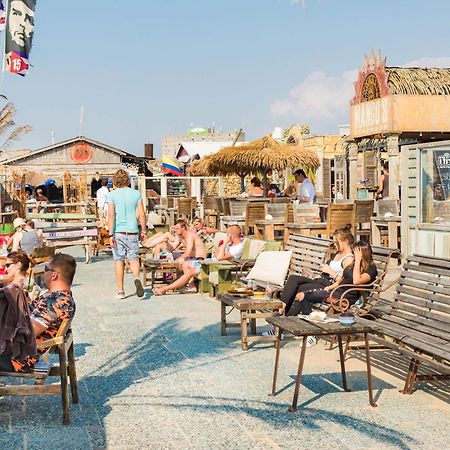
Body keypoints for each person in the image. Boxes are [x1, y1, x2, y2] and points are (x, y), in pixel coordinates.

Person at [0, 252, 77, 373]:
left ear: (54, 275)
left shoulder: (58, 301)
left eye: (46, 268)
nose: (43, 271)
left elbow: (28, 332)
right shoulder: (55, 297)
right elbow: (24, 312)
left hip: (17, 357)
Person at [289, 240, 377, 316]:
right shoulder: (353, 265)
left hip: (345, 297)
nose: (353, 255)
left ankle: (306, 328)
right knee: (301, 295)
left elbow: (357, 281)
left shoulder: (370, 268)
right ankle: (294, 322)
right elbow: (343, 279)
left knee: (303, 296)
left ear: (363, 254)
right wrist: (329, 287)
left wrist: (358, 260)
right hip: (336, 292)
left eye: (355, 253)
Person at [108, 169, 147, 299]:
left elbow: (111, 215)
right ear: (128, 180)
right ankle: (136, 278)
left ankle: (121, 291)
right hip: (133, 231)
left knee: (119, 260)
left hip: (118, 231)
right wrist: (144, 231)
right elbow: (142, 214)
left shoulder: (112, 195)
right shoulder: (136, 194)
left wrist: (110, 234)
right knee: (134, 258)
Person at [153, 220, 206, 295]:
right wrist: (167, 242)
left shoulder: (189, 235)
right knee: (181, 263)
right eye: (175, 228)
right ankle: (184, 284)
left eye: (177, 228)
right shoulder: (181, 236)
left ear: (183, 228)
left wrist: (177, 260)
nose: (175, 230)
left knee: (182, 262)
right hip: (192, 259)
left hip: (200, 259)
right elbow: (172, 248)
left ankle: (188, 285)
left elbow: (188, 252)